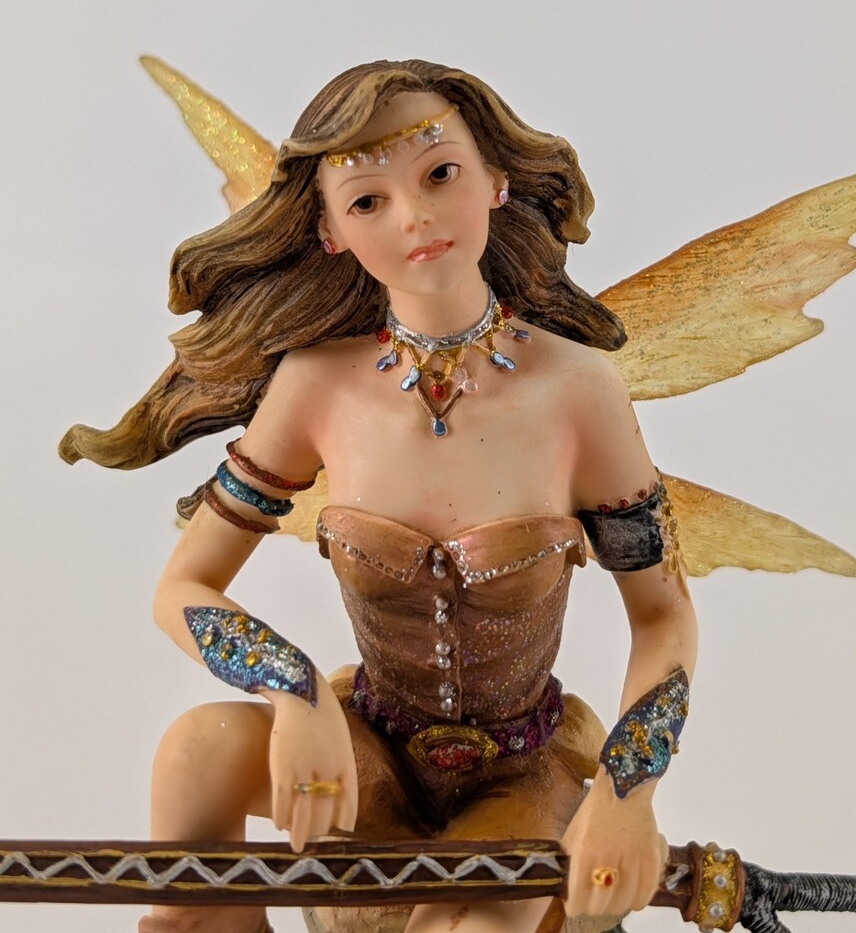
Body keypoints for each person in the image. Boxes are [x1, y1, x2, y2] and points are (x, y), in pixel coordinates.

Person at [61, 60, 697, 933]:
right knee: (195, 753)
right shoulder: (313, 384)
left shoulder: (580, 390)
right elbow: (183, 587)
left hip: (522, 775)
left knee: (463, 927)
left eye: (440, 174)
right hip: (366, 754)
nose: (414, 217)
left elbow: (663, 618)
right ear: (328, 230)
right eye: (368, 200)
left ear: (496, 178)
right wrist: (296, 692)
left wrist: (627, 796)